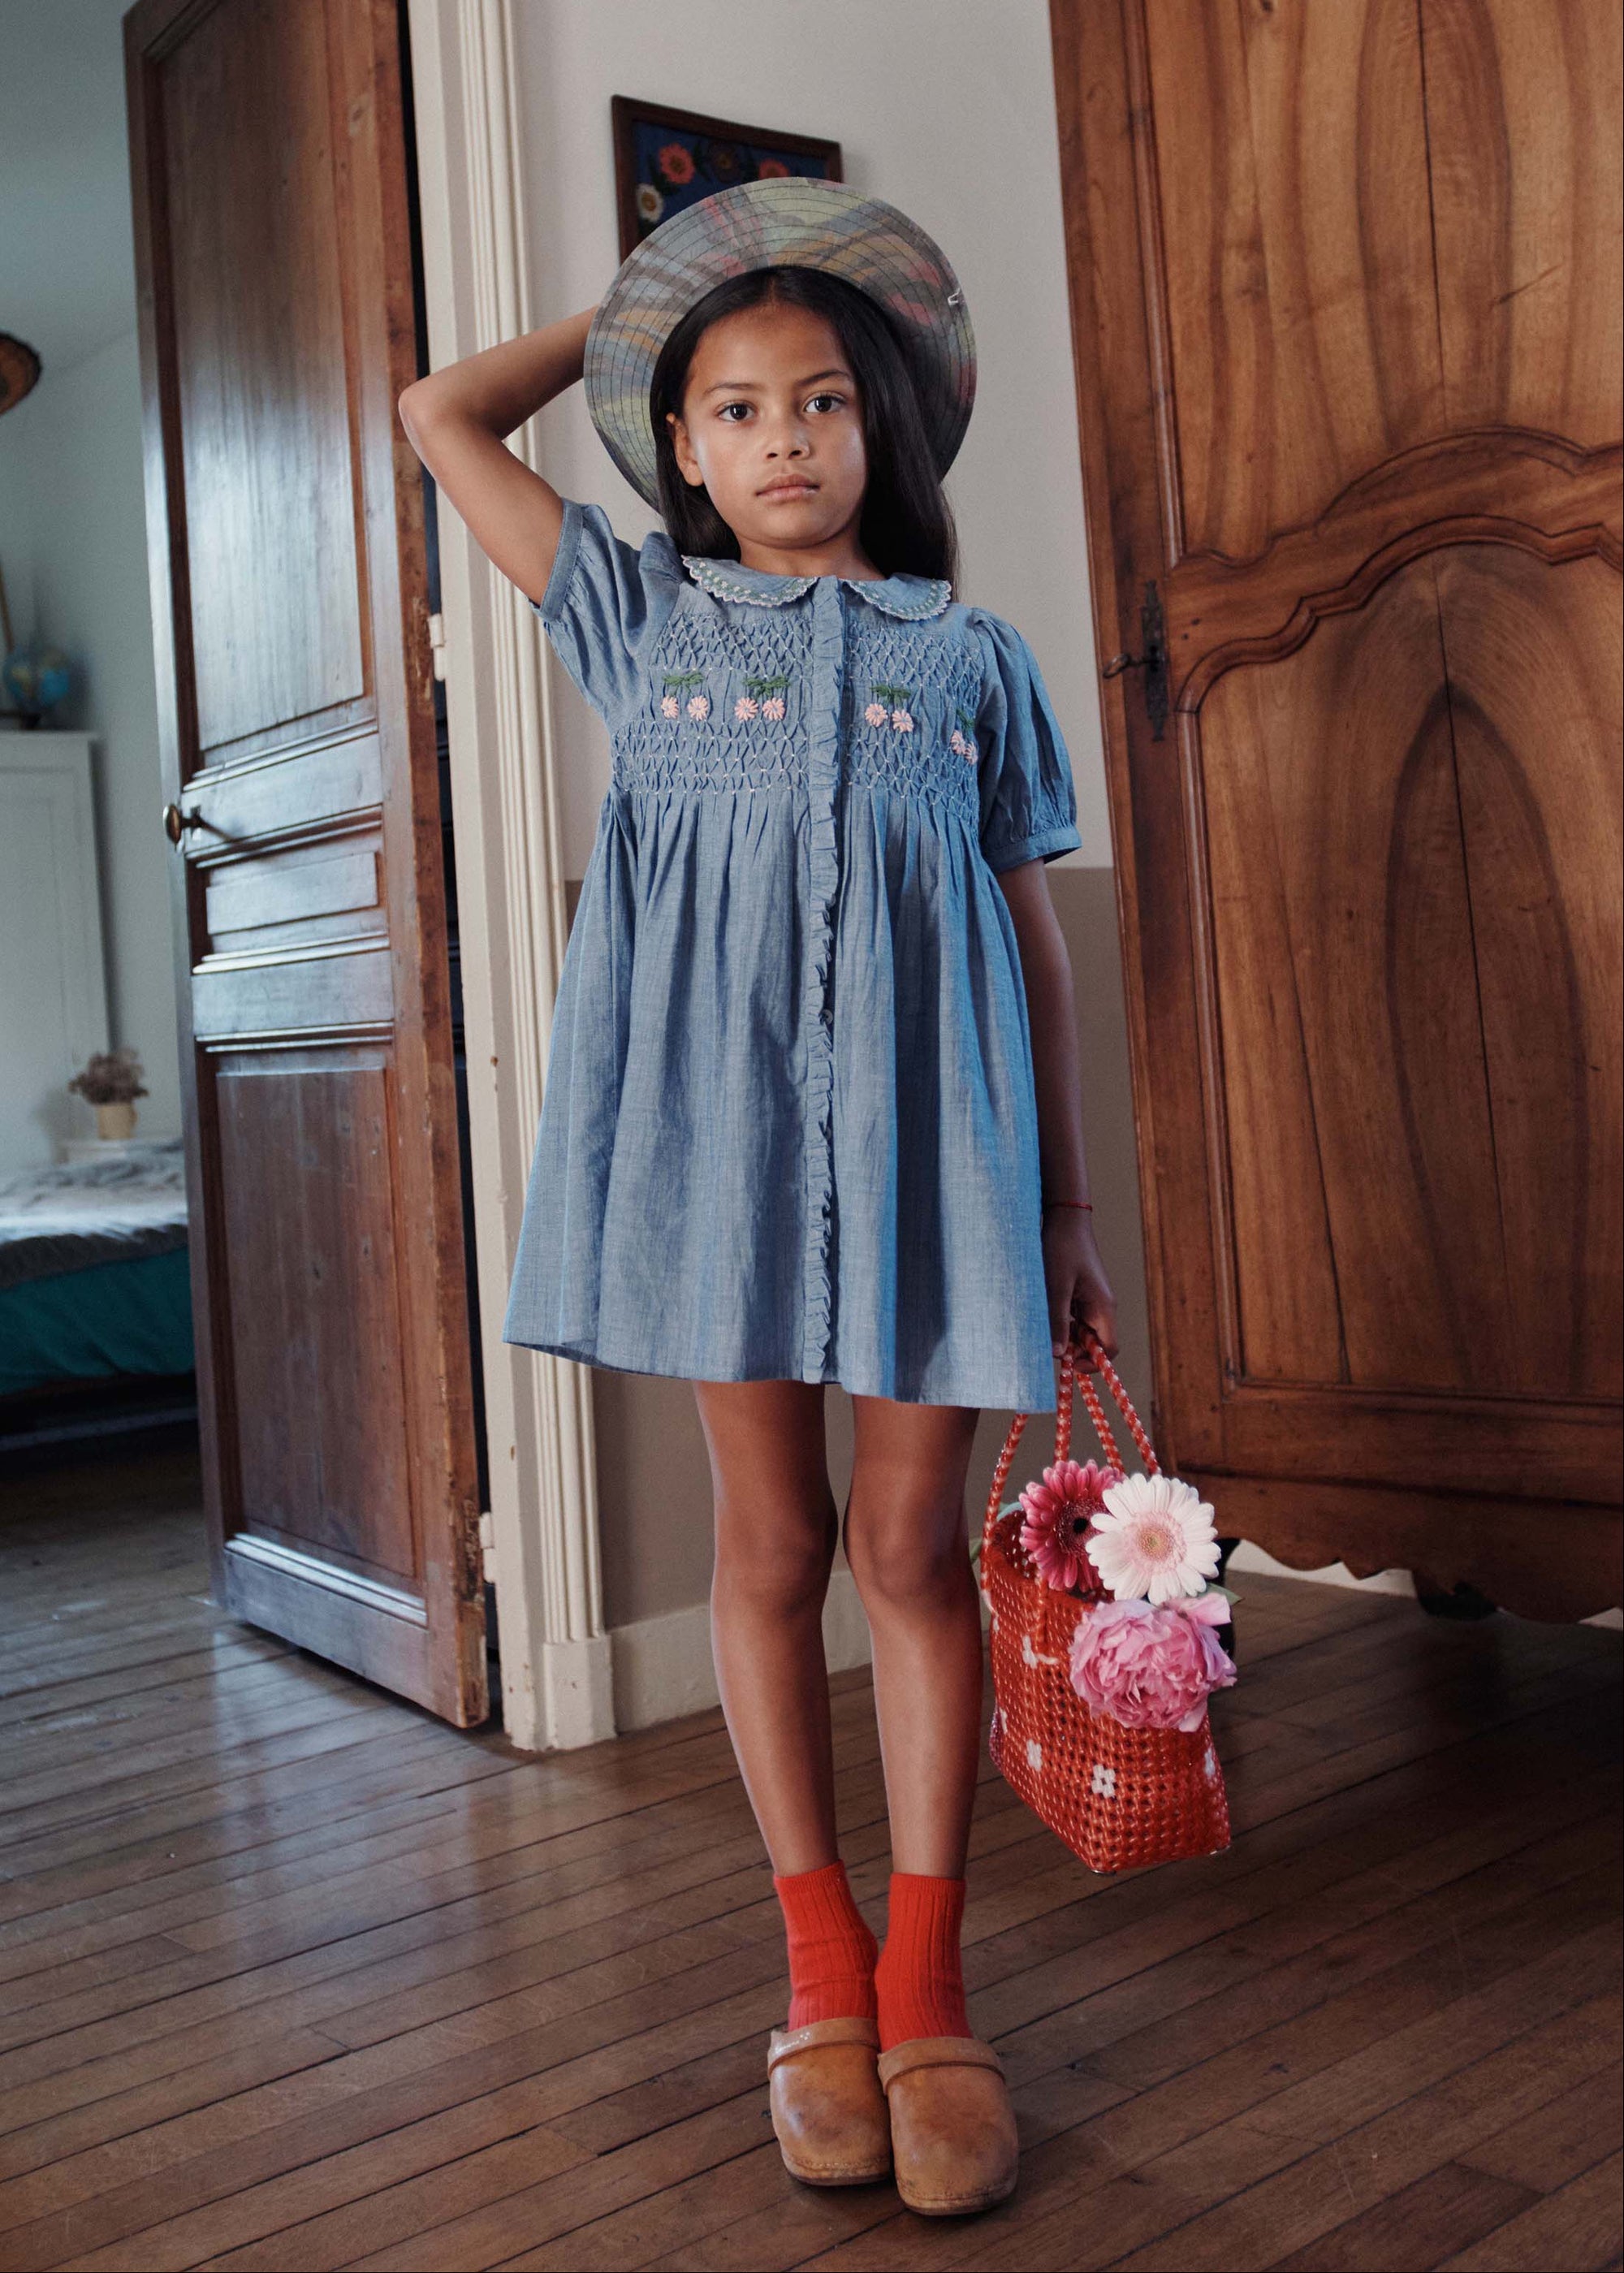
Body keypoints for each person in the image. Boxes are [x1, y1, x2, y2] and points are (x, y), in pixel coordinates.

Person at [399, 179, 1118, 2219]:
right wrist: (640, 313)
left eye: (818, 398)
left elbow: (1032, 943)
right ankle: (813, 1973)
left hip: (937, 1170)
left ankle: (927, 1984)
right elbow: (440, 413)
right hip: (718, 1163)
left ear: (883, 426)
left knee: (913, 1549)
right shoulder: (631, 618)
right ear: (681, 448)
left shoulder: (968, 660)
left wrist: (1066, 1204)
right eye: (727, 407)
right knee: (772, 1538)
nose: (780, 435)